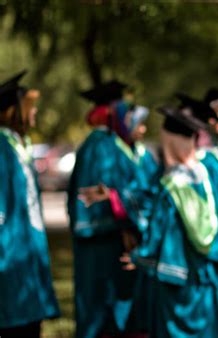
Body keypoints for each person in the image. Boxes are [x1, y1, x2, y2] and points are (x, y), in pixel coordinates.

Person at [124, 101, 218, 338]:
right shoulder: (208, 173)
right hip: (208, 276)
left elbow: (158, 236)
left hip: (178, 282)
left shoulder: (171, 186)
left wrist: (139, 257)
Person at [67, 80, 150, 338]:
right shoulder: (101, 146)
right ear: (112, 113)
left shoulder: (107, 144)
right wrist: (123, 220)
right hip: (103, 246)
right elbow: (102, 194)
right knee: (101, 313)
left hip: (109, 244)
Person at [0, 71, 60, 337]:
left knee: (28, 325)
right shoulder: (1, 148)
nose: (34, 114)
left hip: (26, 253)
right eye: (30, 108)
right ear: (14, 111)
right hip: (9, 254)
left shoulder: (18, 146)